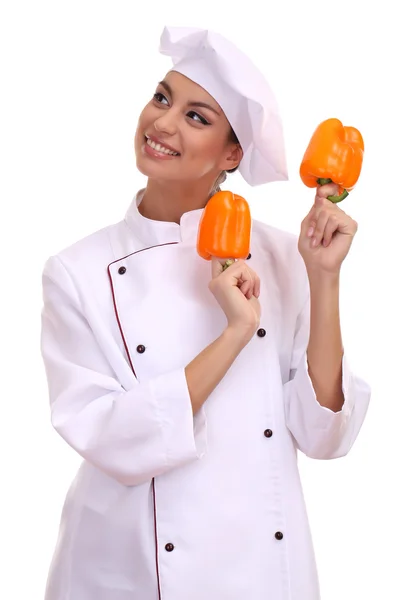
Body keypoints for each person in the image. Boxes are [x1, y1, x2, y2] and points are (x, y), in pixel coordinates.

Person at [40, 26, 371, 600]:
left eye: (197, 117)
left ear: (232, 153)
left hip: (264, 574)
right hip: (127, 570)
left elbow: (322, 436)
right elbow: (114, 439)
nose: (163, 123)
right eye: (162, 98)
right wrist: (235, 333)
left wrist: (322, 276)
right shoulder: (78, 271)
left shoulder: (280, 256)